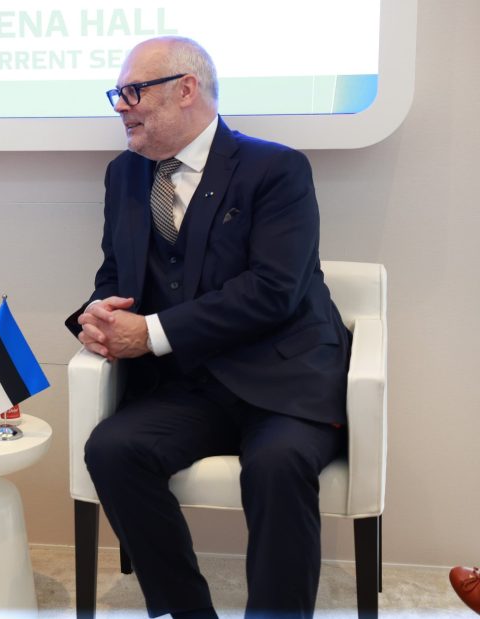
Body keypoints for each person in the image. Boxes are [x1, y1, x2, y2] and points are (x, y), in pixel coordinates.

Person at [66, 36, 350, 619]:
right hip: (190, 387)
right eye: (117, 94)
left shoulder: (277, 169)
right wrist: (97, 317)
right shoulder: (124, 175)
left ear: (186, 89)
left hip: (284, 381)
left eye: (132, 91)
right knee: (113, 450)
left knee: (277, 466)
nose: (121, 107)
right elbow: (116, 273)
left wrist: (149, 334)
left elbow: (273, 290)